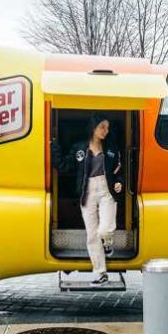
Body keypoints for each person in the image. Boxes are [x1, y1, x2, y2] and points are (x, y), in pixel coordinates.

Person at [52, 115, 123, 285]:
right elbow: (64, 166)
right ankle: (101, 273)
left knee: (104, 230)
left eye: (107, 127)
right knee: (92, 235)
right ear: (93, 128)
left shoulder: (111, 148)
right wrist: (53, 147)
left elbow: (119, 169)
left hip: (107, 190)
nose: (106, 131)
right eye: (103, 127)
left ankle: (107, 244)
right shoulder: (80, 148)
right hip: (87, 191)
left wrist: (119, 181)